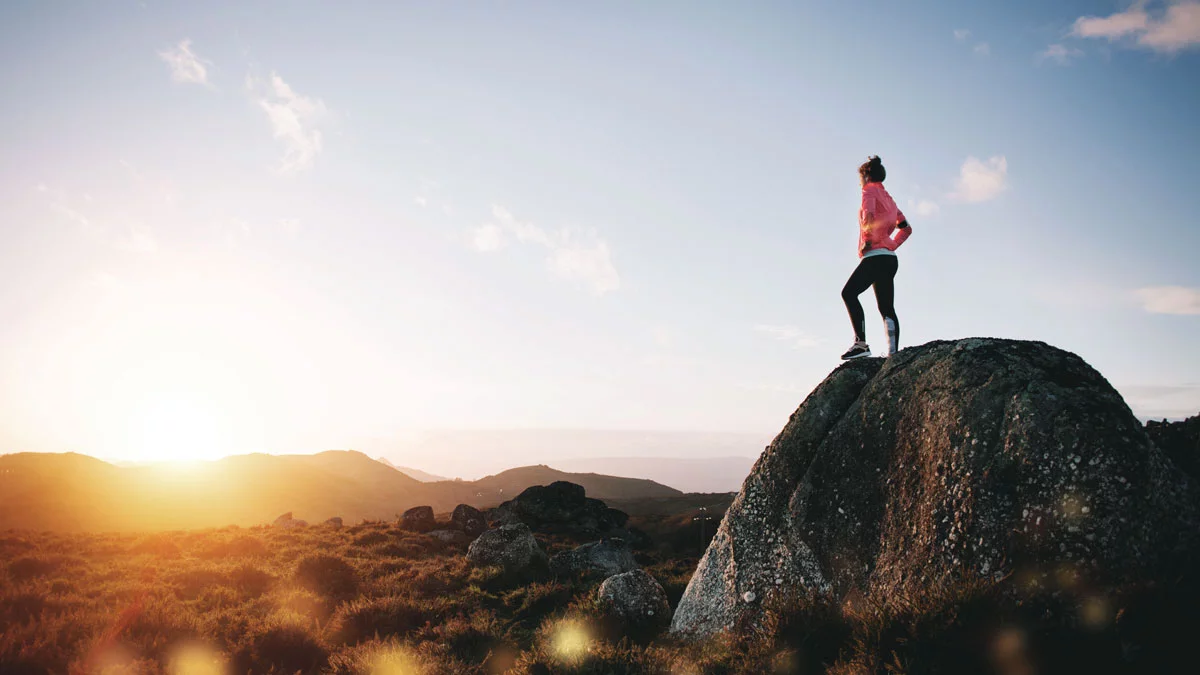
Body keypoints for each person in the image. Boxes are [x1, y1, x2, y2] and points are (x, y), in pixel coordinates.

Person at [840, 156, 912, 360]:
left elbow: (869, 215)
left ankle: (860, 344)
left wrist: (869, 240)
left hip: (875, 257)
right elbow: (906, 228)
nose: (860, 182)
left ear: (866, 175)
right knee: (886, 307)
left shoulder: (869, 190)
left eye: (860, 178)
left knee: (848, 293)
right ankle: (893, 355)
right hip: (890, 259)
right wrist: (891, 244)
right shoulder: (889, 199)